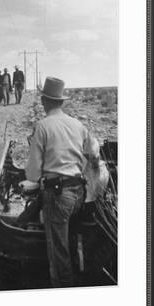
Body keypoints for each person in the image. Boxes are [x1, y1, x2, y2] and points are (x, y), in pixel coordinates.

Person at [24, 77, 99, 287]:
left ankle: (64, 290)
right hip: (78, 192)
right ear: (62, 101)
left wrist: (34, 179)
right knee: (72, 239)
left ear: (43, 100)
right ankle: (78, 277)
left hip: (58, 195)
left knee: (58, 250)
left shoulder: (43, 126)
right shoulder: (77, 124)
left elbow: (32, 173)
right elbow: (93, 154)